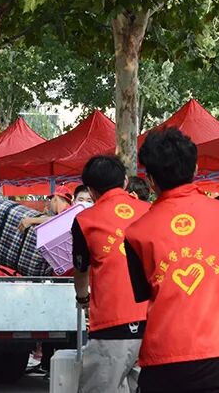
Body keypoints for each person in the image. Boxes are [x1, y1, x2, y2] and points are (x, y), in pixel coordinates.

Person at [124, 128, 219, 393]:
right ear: (195, 168)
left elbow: (144, 293)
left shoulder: (135, 233)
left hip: (164, 363)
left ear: (151, 180)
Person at [72, 155, 150, 393]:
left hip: (112, 324)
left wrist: (83, 299)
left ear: (91, 190)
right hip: (156, 323)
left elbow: (81, 270)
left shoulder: (85, 220)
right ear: (125, 181)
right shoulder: (151, 211)